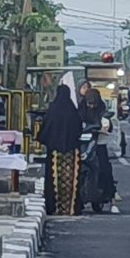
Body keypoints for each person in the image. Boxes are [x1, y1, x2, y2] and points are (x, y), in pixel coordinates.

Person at [37, 85, 83, 215]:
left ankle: (53, 207)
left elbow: (45, 130)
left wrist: (47, 140)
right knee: (72, 179)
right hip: (72, 152)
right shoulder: (73, 111)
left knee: (54, 179)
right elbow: (78, 130)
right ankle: (71, 208)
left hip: (54, 152)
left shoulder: (53, 111)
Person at [80, 88, 116, 205]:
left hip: (99, 143)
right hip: (83, 144)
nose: (91, 107)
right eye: (89, 104)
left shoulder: (102, 110)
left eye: (93, 104)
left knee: (104, 168)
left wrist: (104, 127)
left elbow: (109, 126)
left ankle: (109, 193)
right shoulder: (80, 110)